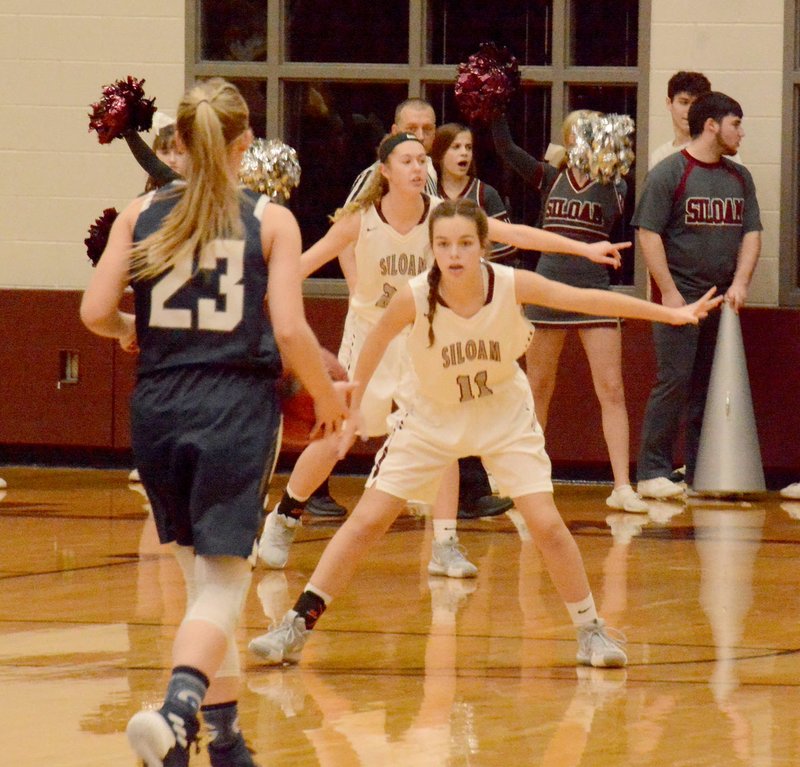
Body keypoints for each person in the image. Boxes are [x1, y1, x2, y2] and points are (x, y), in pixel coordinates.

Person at [248, 198, 721, 669]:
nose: (453, 254)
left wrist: (670, 314)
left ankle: (591, 630)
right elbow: (373, 344)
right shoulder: (414, 296)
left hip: (503, 418)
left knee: (548, 525)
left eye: (464, 244)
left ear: (483, 247)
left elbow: (587, 300)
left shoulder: (512, 284)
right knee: (368, 522)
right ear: (432, 248)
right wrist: (351, 409)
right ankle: (296, 623)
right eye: (443, 244)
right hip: (431, 418)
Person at [80, 77, 349, 767]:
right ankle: (176, 710)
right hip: (232, 402)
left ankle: (222, 739)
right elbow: (289, 329)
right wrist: (327, 395)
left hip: (158, 405)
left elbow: (93, 312)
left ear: (179, 144)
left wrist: (127, 328)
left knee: (202, 586)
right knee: (227, 581)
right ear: (243, 146)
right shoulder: (270, 220)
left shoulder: (139, 213)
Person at [257, 132, 627, 580]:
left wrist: (582, 247)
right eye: (407, 161)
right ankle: (285, 516)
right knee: (337, 435)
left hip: (425, 337)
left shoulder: (443, 218)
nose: (417, 168)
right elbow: (301, 266)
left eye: (421, 161)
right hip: (371, 336)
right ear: (385, 172)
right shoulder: (359, 221)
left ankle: (445, 542)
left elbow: (513, 233)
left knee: (444, 432)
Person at [491, 110, 648, 513]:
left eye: (594, 129)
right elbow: (506, 149)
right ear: (568, 136)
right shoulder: (548, 175)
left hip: (594, 290)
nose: (589, 135)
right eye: (580, 129)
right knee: (537, 388)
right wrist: (496, 107)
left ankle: (621, 486)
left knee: (611, 389)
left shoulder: (616, 184)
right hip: (548, 290)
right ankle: (530, 482)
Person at [633, 92, 762, 499]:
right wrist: (668, 293)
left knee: (708, 386)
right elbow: (648, 233)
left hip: (723, 301)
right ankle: (653, 471)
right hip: (682, 296)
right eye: (735, 123)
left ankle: (697, 469)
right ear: (712, 125)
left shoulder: (739, 177)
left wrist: (740, 283)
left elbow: (753, 233)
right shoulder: (670, 173)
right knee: (674, 380)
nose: (741, 132)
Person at [649, 71, 711, 170]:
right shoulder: (659, 157)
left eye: (696, 104)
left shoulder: (718, 151)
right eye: (684, 102)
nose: (690, 110)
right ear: (669, 103)